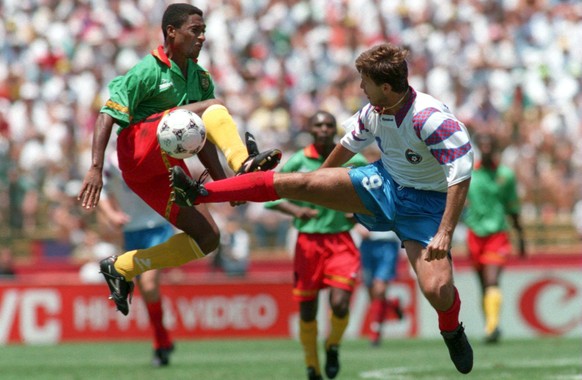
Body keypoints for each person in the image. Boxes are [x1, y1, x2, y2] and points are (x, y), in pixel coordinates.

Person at [171, 43, 475, 374]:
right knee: (296, 181)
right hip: (385, 185)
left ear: (386, 87)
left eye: (365, 82)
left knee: (438, 290)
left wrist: (445, 232)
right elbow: (346, 147)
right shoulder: (375, 110)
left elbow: (461, 174)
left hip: (427, 206)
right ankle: (201, 192)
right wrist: (317, 185)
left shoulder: (430, 119)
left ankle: (452, 329)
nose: (361, 88)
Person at [77, 4, 281, 316]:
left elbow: (199, 138)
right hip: (137, 152)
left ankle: (122, 267)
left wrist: (226, 186)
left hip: (162, 168)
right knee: (211, 108)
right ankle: (243, 162)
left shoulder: (199, 78)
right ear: (171, 32)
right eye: (194, 30)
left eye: (203, 31)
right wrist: (94, 168)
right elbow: (107, 115)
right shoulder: (147, 70)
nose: (201, 37)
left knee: (208, 238)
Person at [264, 111, 367, 380]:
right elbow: (272, 194)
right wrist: (297, 212)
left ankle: (332, 345)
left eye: (328, 125)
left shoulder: (353, 159)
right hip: (308, 243)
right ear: (310, 129)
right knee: (308, 310)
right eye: (318, 124)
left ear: (336, 130)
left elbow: (376, 191)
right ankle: (313, 366)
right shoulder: (299, 159)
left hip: (341, 241)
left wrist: (358, 211)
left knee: (341, 304)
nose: (323, 129)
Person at [98, 151, 175, 366]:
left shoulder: (148, 152)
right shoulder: (110, 160)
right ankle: (163, 340)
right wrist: (111, 214)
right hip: (131, 231)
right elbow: (100, 188)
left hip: (157, 227)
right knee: (145, 289)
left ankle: (160, 344)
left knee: (149, 286)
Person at [463, 132, 526, 344]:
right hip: (475, 234)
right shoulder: (471, 173)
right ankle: (491, 325)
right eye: (484, 145)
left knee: (492, 280)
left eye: (491, 145)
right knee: (484, 285)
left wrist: (521, 238)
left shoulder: (505, 175)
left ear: (496, 148)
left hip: (498, 233)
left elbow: (513, 208)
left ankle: (492, 327)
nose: (487, 148)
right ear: (480, 148)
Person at [355, 225, 404, 347]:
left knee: (380, 290)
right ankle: (392, 304)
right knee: (371, 293)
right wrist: (356, 226)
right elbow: (349, 212)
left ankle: (375, 333)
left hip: (387, 243)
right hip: (366, 244)